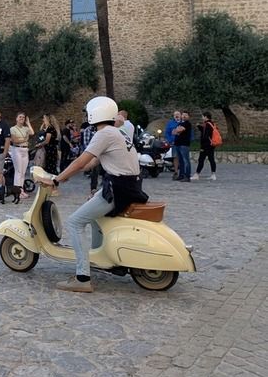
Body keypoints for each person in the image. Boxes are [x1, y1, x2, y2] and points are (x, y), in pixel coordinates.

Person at [46, 96, 147, 293]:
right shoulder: (116, 132)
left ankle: (82, 278)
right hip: (127, 186)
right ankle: (97, 260)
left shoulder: (104, 134)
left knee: (74, 222)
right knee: (93, 218)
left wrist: (56, 180)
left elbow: (81, 162)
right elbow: (92, 162)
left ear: (95, 114)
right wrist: (66, 175)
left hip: (118, 189)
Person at [9, 112, 34, 198]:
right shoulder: (13, 129)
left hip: (25, 150)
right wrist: (25, 139)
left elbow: (32, 133)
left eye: (23, 117)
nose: (21, 118)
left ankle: (21, 190)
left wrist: (28, 123)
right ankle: (17, 192)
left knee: (23, 172)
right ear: (16, 118)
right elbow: (14, 140)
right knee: (18, 171)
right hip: (17, 150)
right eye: (20, 117)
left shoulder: (25, 128)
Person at [192, 112, 218, 181]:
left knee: (201, 160)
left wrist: (202, 146)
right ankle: (213, 174)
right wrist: (199, 126)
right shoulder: (212, 123)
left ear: (206, 117)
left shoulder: (207, 124)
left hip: (206, 146)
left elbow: (205, 135)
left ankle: (197, 174)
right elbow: (205, 131)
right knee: (211, 159)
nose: (202, 118)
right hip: (211, 145)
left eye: (203, 116)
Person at [172, 110, 192, 182]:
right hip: (178, 144)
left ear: (188, 117)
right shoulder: (180, 123)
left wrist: (178, 130)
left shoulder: (187, 124)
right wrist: (177, 130)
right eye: (183, 115)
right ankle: (181, 175)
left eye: (186, 115)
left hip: (184, 144)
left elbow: (179, 130)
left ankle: (187, 176)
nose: (184, 116)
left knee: (186, 160)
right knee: (181, 161)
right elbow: (173, 132)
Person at [164, 111, 181, 179]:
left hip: (183, 143)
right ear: (173, 116)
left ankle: (184, 172)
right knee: (175, 157)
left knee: (183, 158)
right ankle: (176, 172)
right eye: (175, 115)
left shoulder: (183, 122)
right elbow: (167, 133)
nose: (176, 116)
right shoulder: (170, 123)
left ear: (180, 115)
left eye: (178, 114)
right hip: (174, 143)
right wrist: (170, 140)